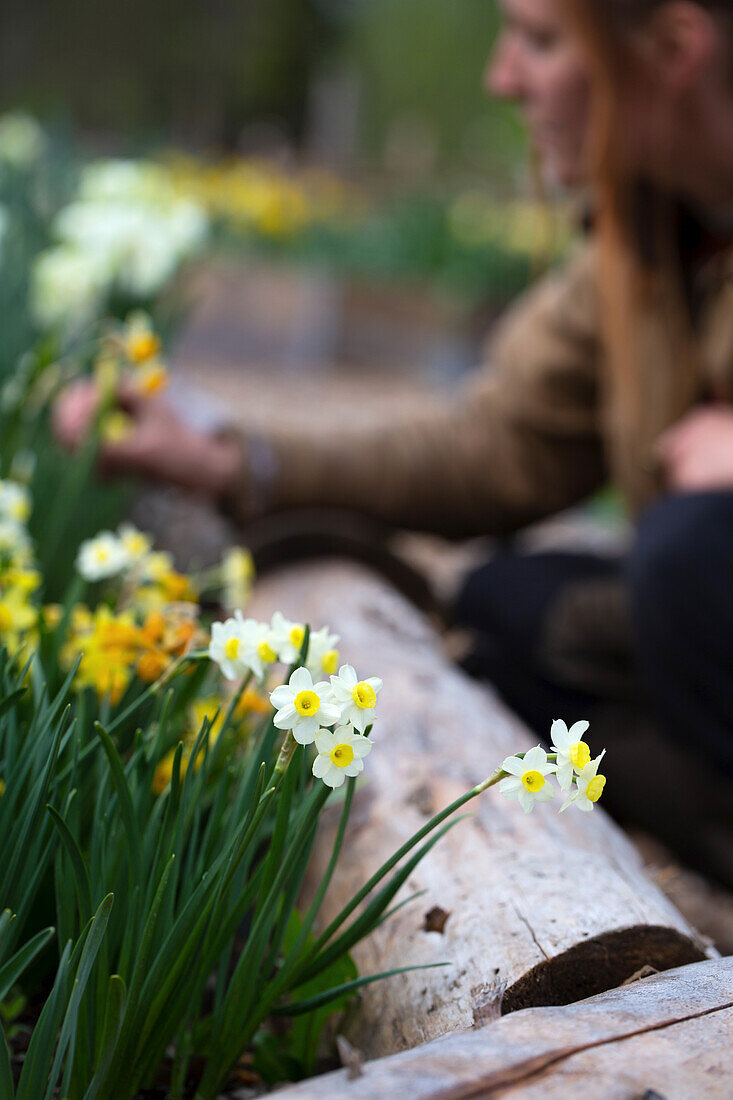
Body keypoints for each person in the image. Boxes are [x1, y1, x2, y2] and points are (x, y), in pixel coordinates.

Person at [54, 0, 733, 883]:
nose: (502, 78)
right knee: (510, 610)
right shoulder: (648, 232)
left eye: (538, 39)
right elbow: (493, 446)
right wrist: (231, 456)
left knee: (687, 558)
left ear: (675, 46)